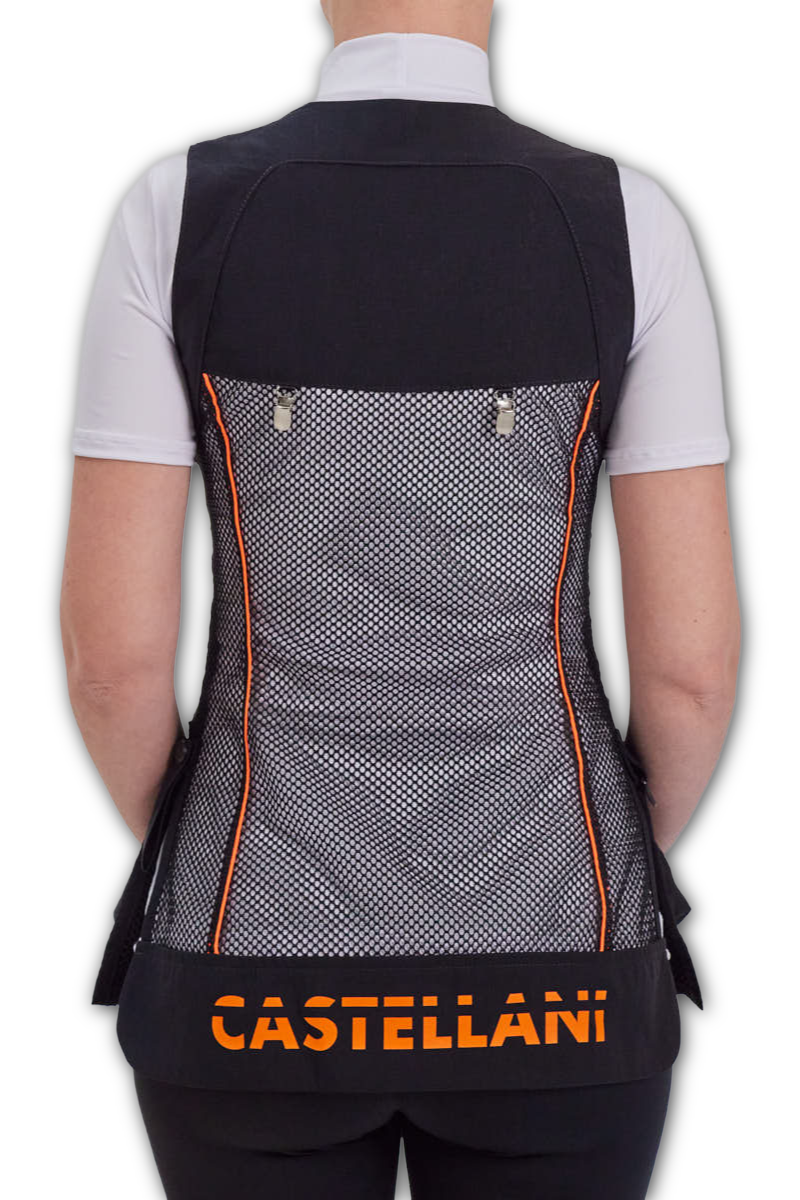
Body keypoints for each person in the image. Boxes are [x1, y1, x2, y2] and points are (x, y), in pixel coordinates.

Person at [60, 1, 740, 1197]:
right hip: (559, 972)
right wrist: (608, 849)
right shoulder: (620, 220)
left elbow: (111, 665)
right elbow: (689, 673)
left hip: (248, 978)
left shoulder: (181, 209)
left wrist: (211, 842)